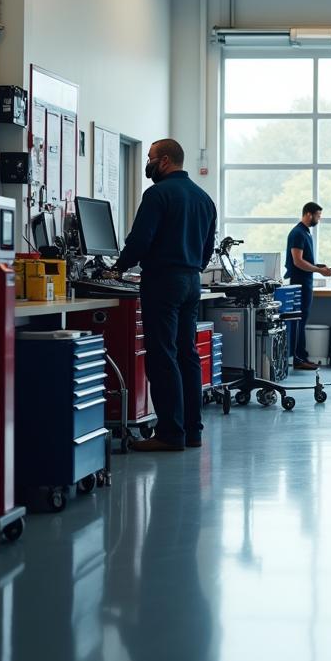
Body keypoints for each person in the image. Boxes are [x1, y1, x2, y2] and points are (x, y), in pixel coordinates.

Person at [112, 138, 217, 452]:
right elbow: (207, 248)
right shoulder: (204, 198)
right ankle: (192, 431)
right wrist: (190, 266)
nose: (149, 163)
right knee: (187, 355)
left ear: (166, 160)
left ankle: (170, 433)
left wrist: (117, 267)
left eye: (151, 157)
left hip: (162, 281)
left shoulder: (157, 194)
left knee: (162, 355)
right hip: (191, 281)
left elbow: (141, 240)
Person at [285, 202, 331, 370]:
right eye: (318, 216)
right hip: (299, 283)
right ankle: (298, 359)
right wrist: (319, 271)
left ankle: (301, 356)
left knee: (302, 319)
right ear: (308, 214)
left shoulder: (306, 233)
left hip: (305, 282)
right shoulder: (297, 233)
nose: (319, 219)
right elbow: (297, 261)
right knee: (299, 321)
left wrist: (320, 267)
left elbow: (305, 259)